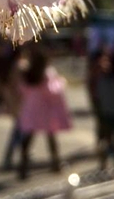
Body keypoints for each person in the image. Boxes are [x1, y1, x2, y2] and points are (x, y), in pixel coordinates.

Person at [18, 47, 72, 179]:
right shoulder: (47, 73)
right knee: (51, 137)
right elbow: (53, 91)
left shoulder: (28, 73)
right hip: (45, 110)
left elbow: (22, 89)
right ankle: (55, 163)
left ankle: (23, 167)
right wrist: (61, 82)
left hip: (31, 109)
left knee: (28, 138)